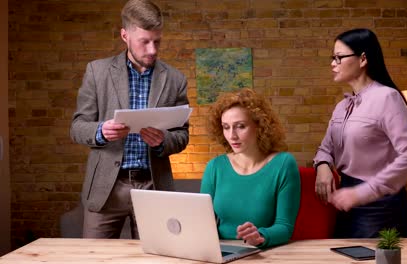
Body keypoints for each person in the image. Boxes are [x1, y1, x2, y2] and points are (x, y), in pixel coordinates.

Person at [70, 0, 189, 239]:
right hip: (107, 188)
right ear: (125, 35)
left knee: (155, 258)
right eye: (144, 42)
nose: (153, 49)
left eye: (157, 41)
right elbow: (77, 127)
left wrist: (163, 140)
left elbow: (182, 136)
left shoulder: (175, 79)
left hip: (153, 186)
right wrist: (101, 132)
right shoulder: (97, 71)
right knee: (95, 258)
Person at [313, 28, 407, 238]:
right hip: (346, 200)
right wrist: (323, 166)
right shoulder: (342, 107)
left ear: (363, 59)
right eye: (332, 58)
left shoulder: (387, 98)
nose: (332, 63)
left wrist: (363, 192)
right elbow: (325, 148)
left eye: (339, 57)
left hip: (380, 205)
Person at [200, 88, 301, 248]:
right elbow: (202, 223)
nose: (232, 135)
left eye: (240, 126)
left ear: (259, 126)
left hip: (264, 254)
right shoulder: (215, 167)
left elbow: (285, 227)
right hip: (221, 252)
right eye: (226, 127)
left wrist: (260, 236)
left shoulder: (283, 164)